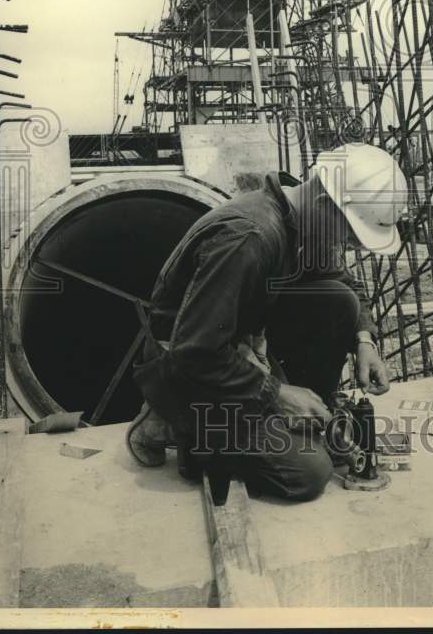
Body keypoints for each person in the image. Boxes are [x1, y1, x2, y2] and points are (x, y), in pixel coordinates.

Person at [126, 142, 408, 501]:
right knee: (308, 473)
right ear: (325, 205)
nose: (349, 247)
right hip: (187, 369)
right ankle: (178, 427)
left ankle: (306, 418)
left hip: (236, 346)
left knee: (338, 300)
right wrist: (277, 394)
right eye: (350, 237)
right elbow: (193, 352)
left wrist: (364, 340)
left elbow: (342, 282)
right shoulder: (248, 238)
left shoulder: (304, 222)